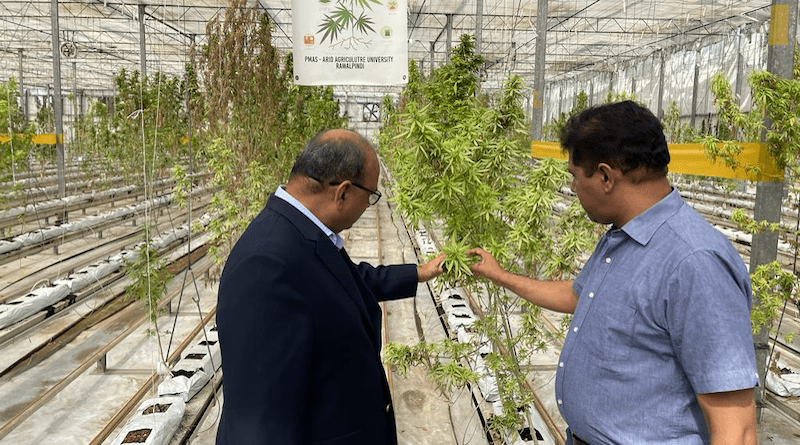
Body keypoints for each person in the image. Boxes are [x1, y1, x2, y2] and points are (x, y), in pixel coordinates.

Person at [468, 101, 758, 445]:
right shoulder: (624, 236)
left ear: (605, 176)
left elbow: (735, 427)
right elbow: (579, 295)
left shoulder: (695, 262)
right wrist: (500, 275)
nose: (573, 188)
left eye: (575, 176)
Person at [215, 129, 445, 445]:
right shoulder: (266, 264)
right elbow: (260, 422)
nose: (368, 206)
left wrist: (418, 273)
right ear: (344, 192)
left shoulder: (298, 232)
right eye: (371, 197)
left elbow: (340, 281)